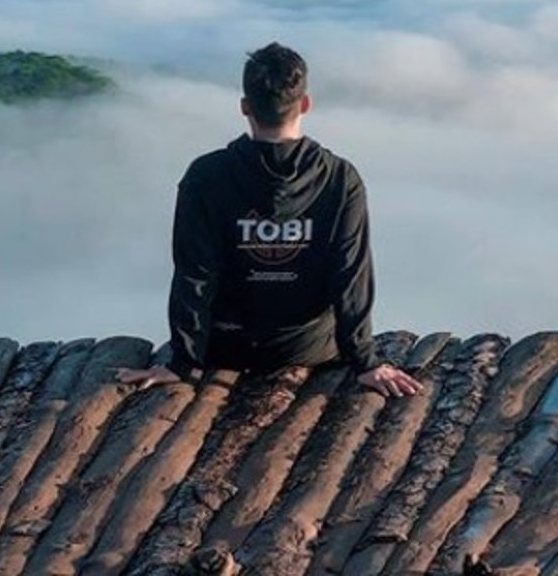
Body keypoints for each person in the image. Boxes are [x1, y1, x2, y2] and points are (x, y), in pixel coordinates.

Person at [119, 43, 422, 398]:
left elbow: (194, 273)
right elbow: (350, 275)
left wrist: (182, 362)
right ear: (305, 104)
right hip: (308, 347)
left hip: (226, 346)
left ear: (245, 106)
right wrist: (366, 362)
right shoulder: (340, 178)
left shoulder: (206, 176)